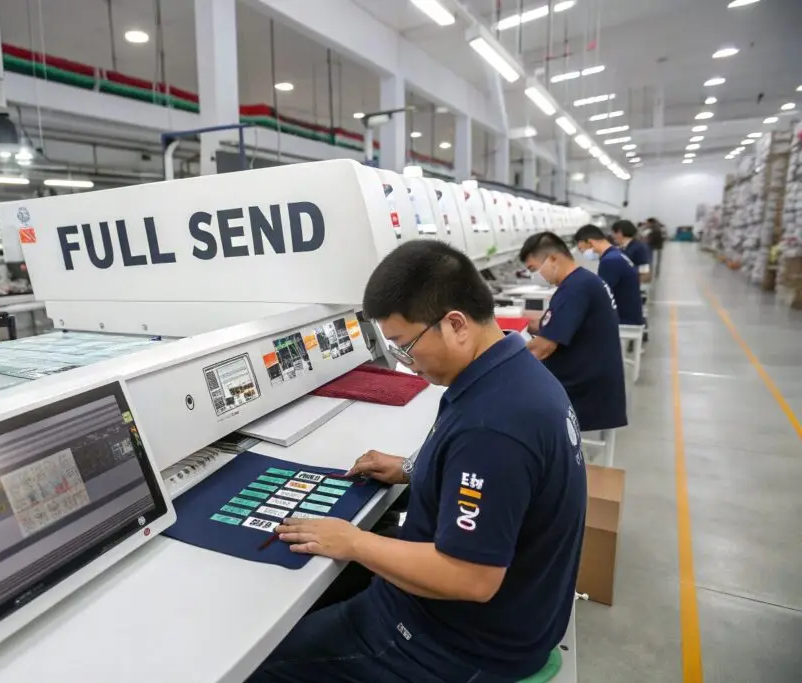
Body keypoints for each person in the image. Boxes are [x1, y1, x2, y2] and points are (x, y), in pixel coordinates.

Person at [248, 240, 587, 683]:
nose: (406, 365)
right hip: (518, 614)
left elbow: (471, 579)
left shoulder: (493, 426)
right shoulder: (511, 374)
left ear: (456, 324)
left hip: (458, 643)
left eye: (405, 346)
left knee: (261, 664)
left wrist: (353, 541)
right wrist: (412, 469)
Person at [520, 232, 627, 433]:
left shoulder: (574, 290)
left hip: (582, 389)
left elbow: (541, 349)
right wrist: (539, 324)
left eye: (534, 269)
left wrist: (498, 358)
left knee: (511, 401)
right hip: (595, 378)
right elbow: (557, 323)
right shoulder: (584, 281)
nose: (536, 275)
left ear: (553, 259)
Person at [574, 224, 644, 326]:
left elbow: (599, 296)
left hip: (624, 319)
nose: (583, 253)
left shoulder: (610, 261)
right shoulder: (616, 254)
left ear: (590, 243)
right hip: (630, 315)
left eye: (582, 250)